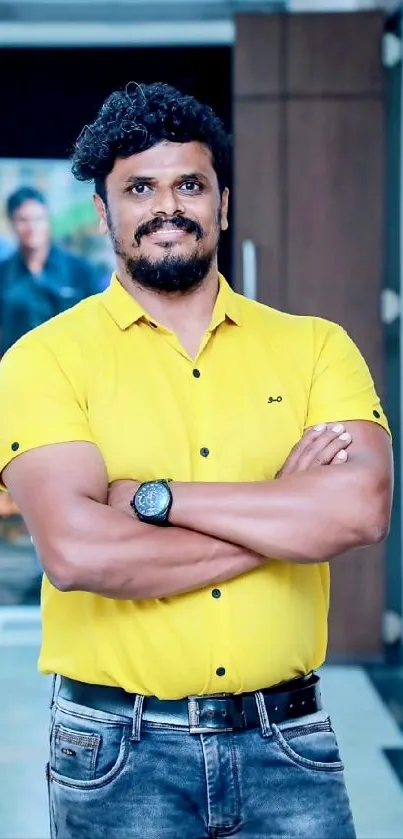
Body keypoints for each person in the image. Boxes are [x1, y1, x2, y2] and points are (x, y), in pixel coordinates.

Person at [0, 83, 393, 839]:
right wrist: (281, 510)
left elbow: (359, 508)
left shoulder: (314, 346)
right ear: (102, 211)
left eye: (189, 184)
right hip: (116, 753)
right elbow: (78, 552)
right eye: (139, 187)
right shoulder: (42, 361)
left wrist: (154, 499)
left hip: (289, 743)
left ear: (222, 201)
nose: (167, 205)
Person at [0, 186, 97, 355]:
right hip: (18, 369)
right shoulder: (4, 274)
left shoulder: (79, 271)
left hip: (68, 368)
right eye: (23, 220)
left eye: (38, 219)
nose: (32, 228)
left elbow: (97, 324)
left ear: (47, 220)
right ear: (12, 223)